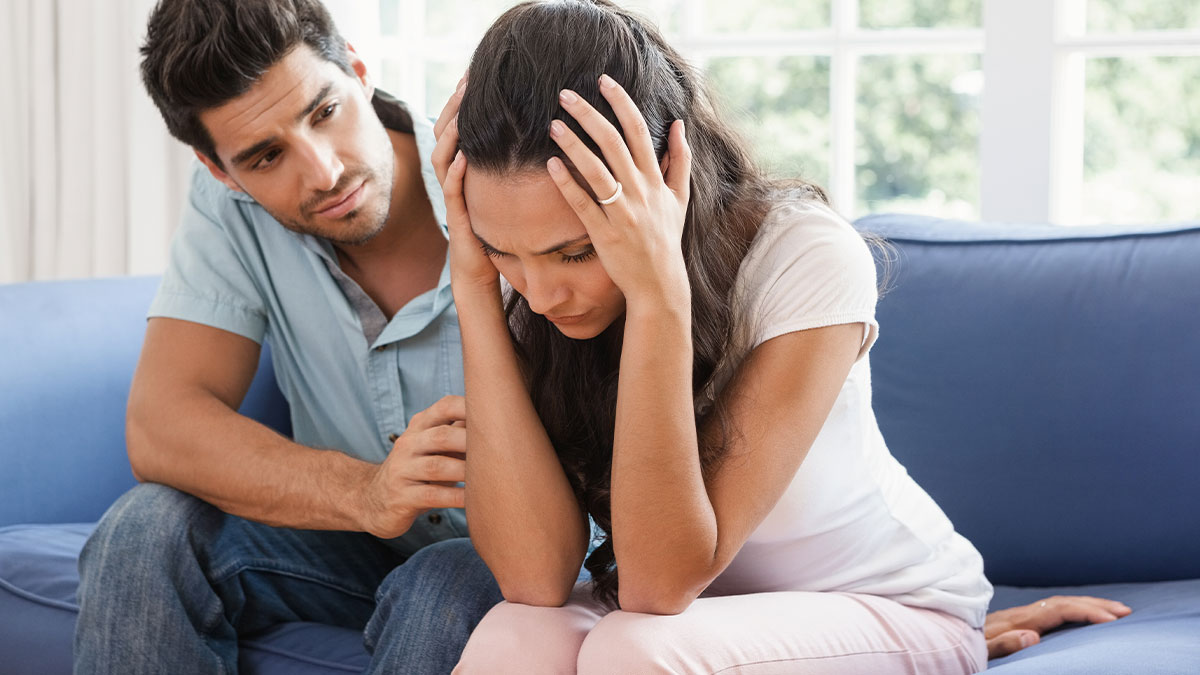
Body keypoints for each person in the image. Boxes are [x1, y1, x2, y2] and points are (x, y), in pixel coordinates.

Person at [429, 1, 1131, 673]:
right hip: (694, 626)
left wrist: (657, 293)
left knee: (633, 651)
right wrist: (475, 291)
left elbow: (656, 585)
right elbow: (533, 579)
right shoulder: (521, 285)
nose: (541, 293)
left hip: (882, 603)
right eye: (501, 250)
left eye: (577, 252)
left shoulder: (806, 256)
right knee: (515, 636)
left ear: (667, 180)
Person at [73, 1, 503, 672]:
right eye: (267, 156)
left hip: (526, 556)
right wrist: (365, 492)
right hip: (360, 549)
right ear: (221, 170)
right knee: (145, 528)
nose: (324, 172)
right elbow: (162, 425)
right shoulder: (229, 208)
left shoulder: (502, 177)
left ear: (357, 70)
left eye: (324, 112)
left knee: (444, 579)